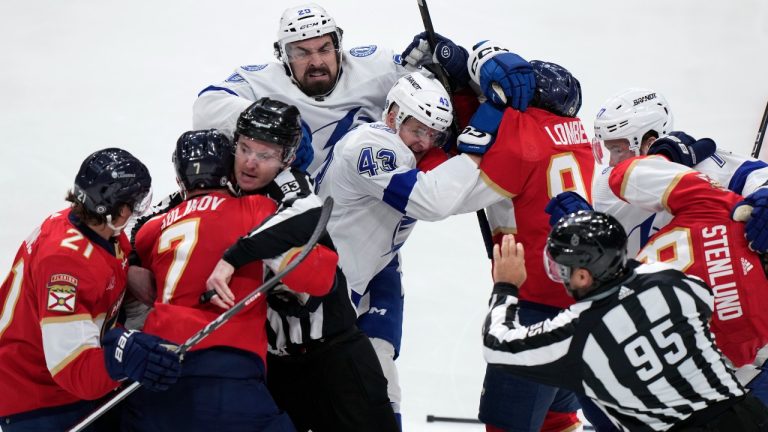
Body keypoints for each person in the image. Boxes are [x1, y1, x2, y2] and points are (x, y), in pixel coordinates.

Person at [313, 51, 584, 429]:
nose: (424, 142)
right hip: (321, 291)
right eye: (416, 129)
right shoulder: (370, 146)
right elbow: (434, 198)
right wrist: (483, 124)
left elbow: (449, 177)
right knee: (333, 395)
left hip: (362, 280)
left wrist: (468, 92)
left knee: (376, 389)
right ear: (391, 115)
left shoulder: (404, 144)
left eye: (432, 133)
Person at [201, 98, 400, 432]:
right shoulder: (225, 190)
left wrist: (233, 257)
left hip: (337, 359)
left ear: (287, 159)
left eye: (265, 155)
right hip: (277, 370)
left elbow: (308, 216)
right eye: (245, 148)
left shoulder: (292, 187)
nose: (250, 163)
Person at [126, 128, 338, 431]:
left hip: (155, 369)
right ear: (230, 170)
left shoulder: (153, 229)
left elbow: (124, 250)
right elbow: (321, 278)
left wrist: (130, 268)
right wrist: (278, 256)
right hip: (228, 371)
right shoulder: (258, 209)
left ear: (180, 180)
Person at [483, 212, 768, 431]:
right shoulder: (670, 280)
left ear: (583, 276)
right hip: (749, 416)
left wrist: (506, 286)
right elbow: (703, 301)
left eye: (561, 268)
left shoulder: (576, 332)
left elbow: (497, 346)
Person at [0, 148, 181, 431]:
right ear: (119, 211)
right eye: (134, 204)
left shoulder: (91, 227)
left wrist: (128, 271)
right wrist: (124, 356)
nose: (137, 211)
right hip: (38, 400)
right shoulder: (64, 266)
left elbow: (108, 260)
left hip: (57, 390)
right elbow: (76, 371)